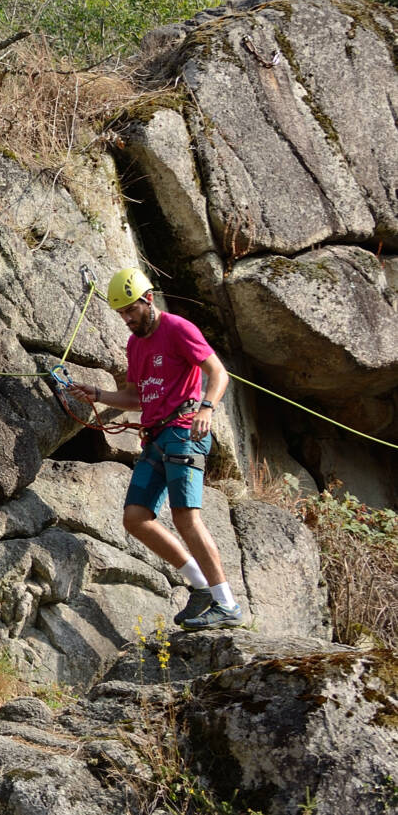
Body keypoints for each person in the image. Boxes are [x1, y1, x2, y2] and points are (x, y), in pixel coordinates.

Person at [85, 267, 244, 629]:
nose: (127, 319)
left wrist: (207, 407)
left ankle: (228, 604)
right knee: (135, 518)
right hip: (155, 437)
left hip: (184, 431)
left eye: (131, 310)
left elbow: (218, 373)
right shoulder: (135, 344)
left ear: (149, 300)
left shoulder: (178, 329)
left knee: (186, 517)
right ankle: (201, 586)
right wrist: (96, 394)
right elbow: (136, 395)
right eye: (121, 313)